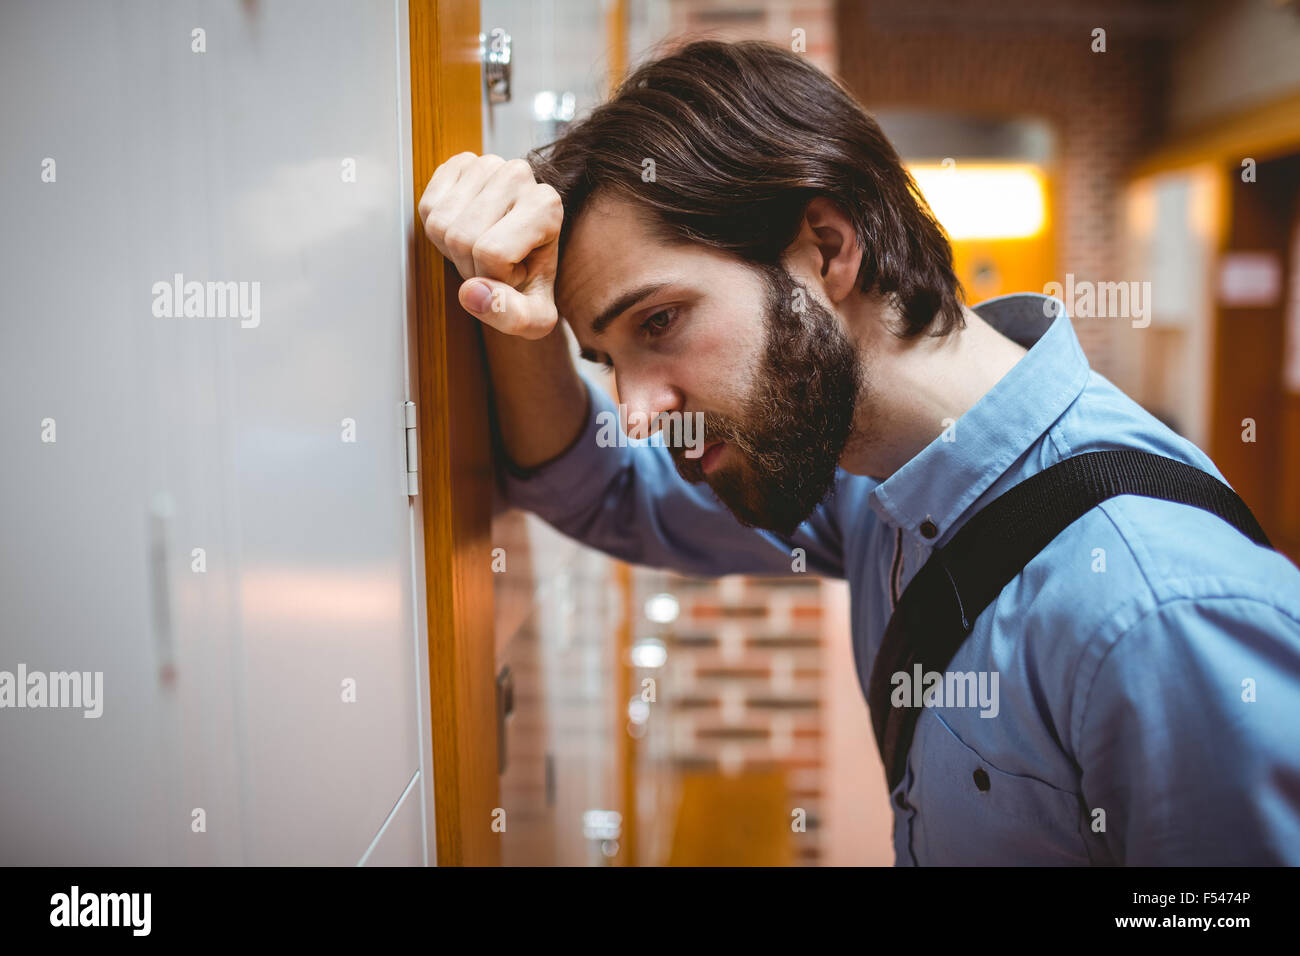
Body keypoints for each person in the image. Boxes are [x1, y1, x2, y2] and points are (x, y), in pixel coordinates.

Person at [418, 39, 1300, 865]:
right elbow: (596, 489)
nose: (640, 413)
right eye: (609, 360)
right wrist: (505, 292)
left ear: (828, 248)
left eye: (660, 322)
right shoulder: (867, 478)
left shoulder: (1157, 610)